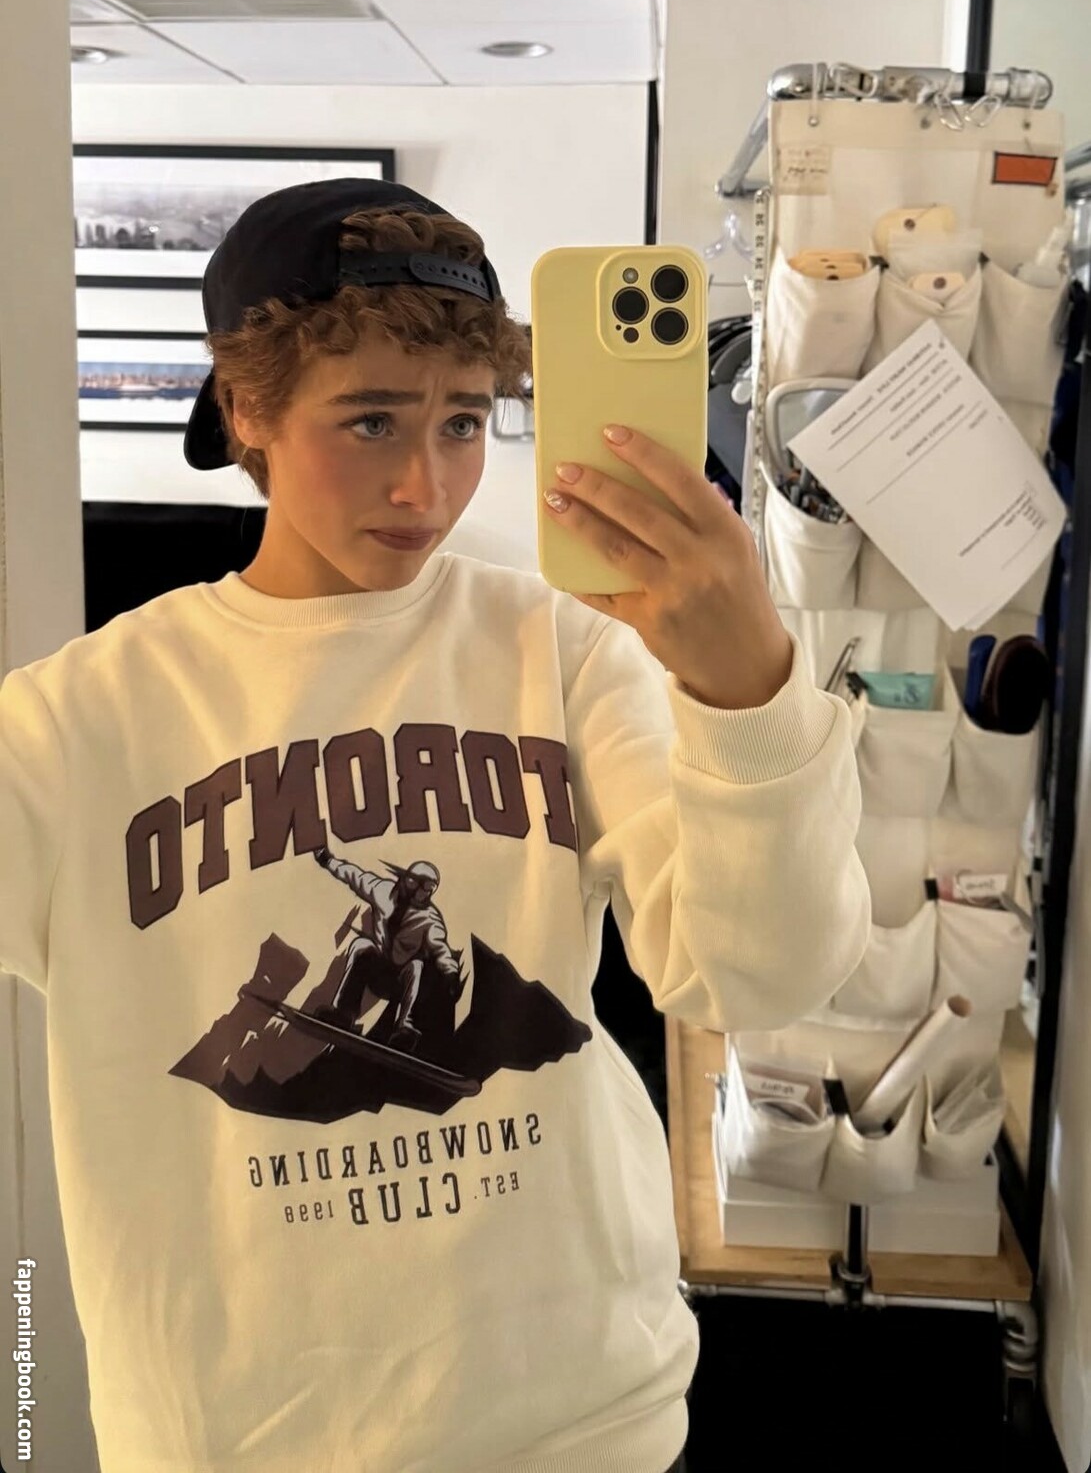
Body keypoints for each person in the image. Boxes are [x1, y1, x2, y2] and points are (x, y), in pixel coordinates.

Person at [0, 180, 870, 1473]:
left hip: (589, 1421)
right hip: (243, 1446)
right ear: (247, 411)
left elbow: (763, 974)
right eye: (372, 421)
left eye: (463, 422)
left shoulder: (564, 652)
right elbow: (356, 883)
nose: (428, 484)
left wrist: (747, 690)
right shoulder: (71, 728)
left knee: (411, 986)